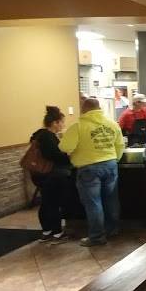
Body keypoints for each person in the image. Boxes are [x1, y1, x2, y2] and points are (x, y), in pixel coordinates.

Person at [59, 97, 124, 247]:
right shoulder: (112, 124)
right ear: (99, 108)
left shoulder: (78, 126)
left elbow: (64, 147)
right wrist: (114, 159)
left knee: (94, 203)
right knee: (111, 199)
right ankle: (112, 230)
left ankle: (97, 237)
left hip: (89, 167)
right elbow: (120, 145)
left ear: (84, 109)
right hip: (110, 163)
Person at [30, 106, 72, 241]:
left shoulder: (38, 135)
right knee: (53, 203)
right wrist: (69, 157)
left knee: (46, 202)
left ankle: (46, 231)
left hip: (38, 174)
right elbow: (54, 156)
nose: (63, 125)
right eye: (62, 122)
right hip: (50, 174)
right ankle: (57, 233)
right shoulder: (48, 137)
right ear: (55, 123)